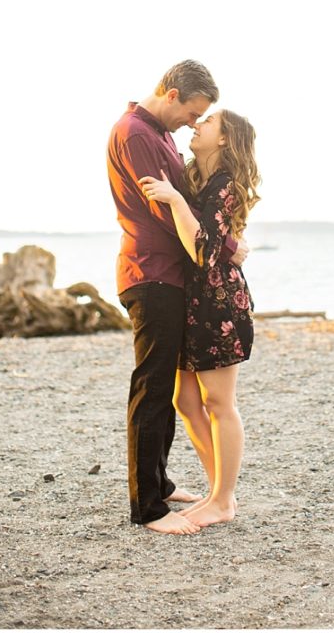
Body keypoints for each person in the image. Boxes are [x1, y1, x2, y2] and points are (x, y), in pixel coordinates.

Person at [107, 60, 248, 535]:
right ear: (171, 94)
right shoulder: (138, 135)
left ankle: (162, 483)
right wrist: (230, 248)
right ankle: (148, 508)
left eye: (202, 118)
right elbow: (169, 212)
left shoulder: (162, 135)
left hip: (174, 277)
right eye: (194, 112)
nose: (194, 122)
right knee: (152, 388)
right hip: (152, 273)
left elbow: (202, 206)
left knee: (172, 389)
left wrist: (224, 239)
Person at [139, 107, 261, 528]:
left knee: (219, 403)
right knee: (186, 401)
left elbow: (203, 249)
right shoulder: (197, 178)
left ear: (226, 139)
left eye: (207, 122)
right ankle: (216, 493)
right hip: (191, 301)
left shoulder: (226, 184)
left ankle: (223, 500)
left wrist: (173, 197)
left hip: (219, 302)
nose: (197, 124)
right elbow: (214, 238)